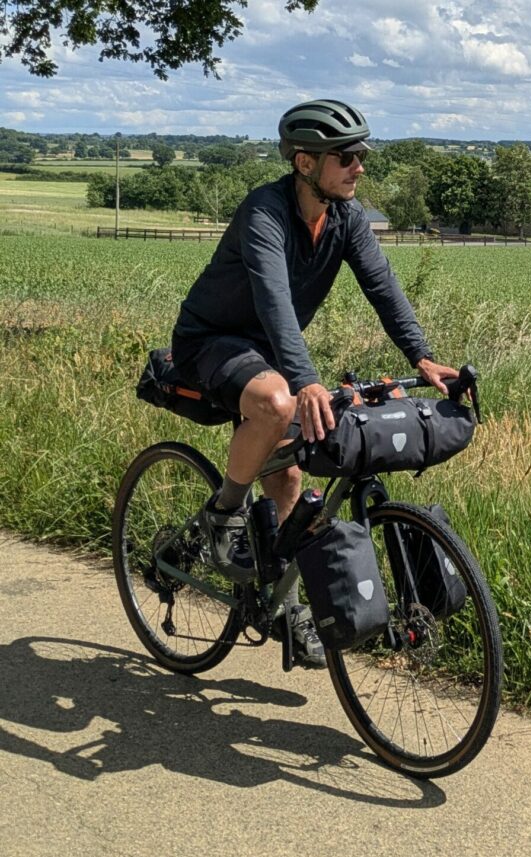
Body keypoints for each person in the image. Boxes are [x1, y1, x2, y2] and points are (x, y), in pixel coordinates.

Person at [171, 99, 457, 667]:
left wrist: (422, 357)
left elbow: (383, 287)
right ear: (305, 162)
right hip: (212, 341)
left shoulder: (347, 219)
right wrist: (304, 381)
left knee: (293, 471)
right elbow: (274, 300)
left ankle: (287, 605)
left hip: (269, 353)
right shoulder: (265, 214)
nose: (360, 166)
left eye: (362, 155)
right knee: (280, 404)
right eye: (347, 156)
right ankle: (224, 512)